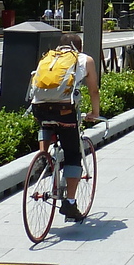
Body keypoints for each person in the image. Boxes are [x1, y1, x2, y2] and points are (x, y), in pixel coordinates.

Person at [28, 31, 102, 222]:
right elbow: (93, 89)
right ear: (80, 47)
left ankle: (43, 157)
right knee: (72, 154)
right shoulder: (84, 59)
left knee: (46, 123)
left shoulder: (48, 57)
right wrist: (94, 113)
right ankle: (69, 202)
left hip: (39, 109)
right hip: (65, 112)